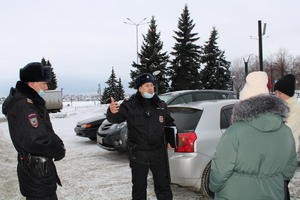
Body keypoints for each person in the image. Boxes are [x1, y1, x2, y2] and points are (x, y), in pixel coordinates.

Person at [209, 71, 297, 200]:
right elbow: (290, 166)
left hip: (236, 193)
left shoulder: (235, 131)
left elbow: (221, 168)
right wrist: (274, 180)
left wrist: (214, 186)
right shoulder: (286, 131)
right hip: (273, 192)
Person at [2, 62, 65, 200]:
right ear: (32, 84)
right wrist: (58, 149)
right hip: (37, 173)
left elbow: (42, 131)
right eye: (43, 83)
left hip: (37, 171)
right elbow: (36, 140)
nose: (46, 87)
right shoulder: (25, 106)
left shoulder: (27, 101)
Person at [107, 73, 175, 200]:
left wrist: (171, 140)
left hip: (158, 153)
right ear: (139, 88)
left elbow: (169, 123)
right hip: (138, 154)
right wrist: (111, 111)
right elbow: (116, 118)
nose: (151, 88)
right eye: (146, 85)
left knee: (163, 186)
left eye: (152, 85)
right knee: (139, 188)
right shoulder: (130, 105)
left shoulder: (160, 105)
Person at [274, 74, 300, 200]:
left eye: (279, 93)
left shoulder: (296, 109)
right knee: (279, 187)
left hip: (287, 155)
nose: (277, 95)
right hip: (278, 153)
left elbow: (286, 130)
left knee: (282, 186)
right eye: (276, 92)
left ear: (287, 92)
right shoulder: (280, 106)